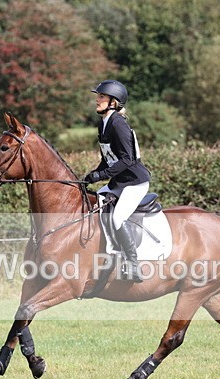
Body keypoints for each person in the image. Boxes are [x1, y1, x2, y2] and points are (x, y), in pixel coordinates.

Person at [83, 79, 151, 283]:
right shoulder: (103, 124)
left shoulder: (118, 123)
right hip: (118, 183)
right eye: (98, 96)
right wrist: (91, 176)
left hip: (134, 182)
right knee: (92, 206)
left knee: (117, 218)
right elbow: (108, 158)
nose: (97, 100)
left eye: (101, 96)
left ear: (114, 101)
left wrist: (101, 176)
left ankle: (133, 265)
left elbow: (127, 160)